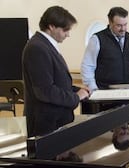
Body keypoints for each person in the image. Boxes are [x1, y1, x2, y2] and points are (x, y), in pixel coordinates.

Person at [22, 6, 89, 140]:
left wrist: (78, 90)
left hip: (56, 120)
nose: (68, 34)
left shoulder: (45, 44)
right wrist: (76, 97)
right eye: (65, 30)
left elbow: (58, 82)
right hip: (46, 124)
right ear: (51, 26)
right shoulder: (37, 47)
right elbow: (45, 91)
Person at [81, 7, 129, 91]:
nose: (123, 29)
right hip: (105, 90)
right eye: (119, 25)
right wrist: (93, 88)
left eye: (125, 25)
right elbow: (88, 65)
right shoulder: (97, 39)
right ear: (110, 22)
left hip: (127, 89)